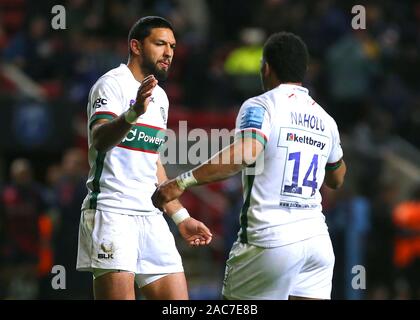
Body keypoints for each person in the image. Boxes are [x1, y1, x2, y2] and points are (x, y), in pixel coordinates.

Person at [152, 32, 346, 300]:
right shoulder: (326, 120)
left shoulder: (261, 106)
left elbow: (244, 153)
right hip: (317, 244)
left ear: (266, 67)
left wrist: (181, 182)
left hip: (270, 241)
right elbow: (337, 178)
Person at [76, 16, 212, 300]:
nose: (169, 53)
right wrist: (133, 113)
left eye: (172, 46)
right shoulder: (110, 84)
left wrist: (181, 217)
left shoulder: (161, 98)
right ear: (136, 46)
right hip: (112, 211)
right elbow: (100, 139)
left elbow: (153, 162)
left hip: (151, 216)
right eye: (160, 44)